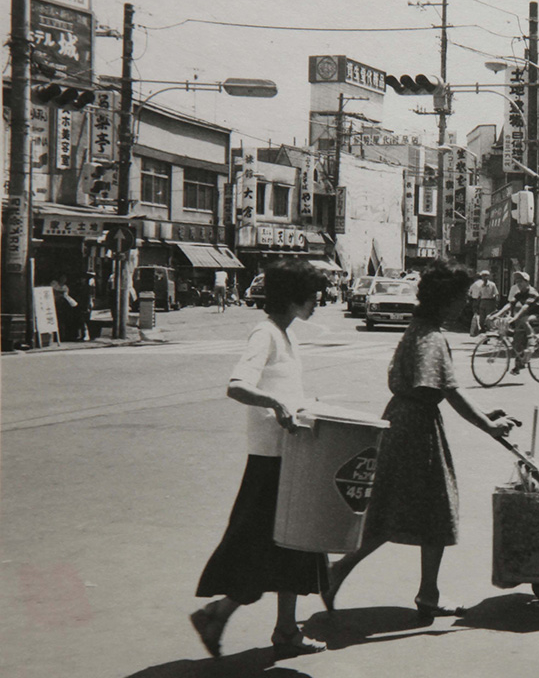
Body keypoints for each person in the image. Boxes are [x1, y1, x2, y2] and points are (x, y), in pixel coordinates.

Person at [322, 259, 516, 618]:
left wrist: (486, 415)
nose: (464, 304)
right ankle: (345, 573)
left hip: (403, 421)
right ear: (446, 301)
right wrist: (486, 426)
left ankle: (420, 591)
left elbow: (449, 388)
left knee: (408, 511)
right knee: (429, 509)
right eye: (461, 298)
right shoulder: (431, 338)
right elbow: (446, 391)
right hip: (415, 430)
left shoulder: (421, 329)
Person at [190, 259, 330, 660]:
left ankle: (285, 629)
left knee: (295, 545)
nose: (317, 302)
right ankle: (218, 612)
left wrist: (305, 407)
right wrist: (277, 404)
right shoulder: (264, 334)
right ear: (293, 297)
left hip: (291, 457)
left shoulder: (287, 336)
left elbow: (285, 391)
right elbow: (237, 386)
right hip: (270, 461)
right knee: (258, 548)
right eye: (313, 295)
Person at [494, 271, 539, 373]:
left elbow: (525, 307)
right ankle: (519, 365)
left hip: (538, 315)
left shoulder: (532, 293)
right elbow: (509, 304)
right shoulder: (519, 294)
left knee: (524, 319)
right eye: (517, 282)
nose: (518, 284)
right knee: (517, 340)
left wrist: (515, 317)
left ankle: (531, 341)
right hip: (524, 316)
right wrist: (497, 314)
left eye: (520, 281)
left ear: (526, 282)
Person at [469, 270, 499, 336]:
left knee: (488, 319)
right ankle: (483, 333)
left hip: (490, 302)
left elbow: (496, 294)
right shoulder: (480, 286)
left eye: (485, 276)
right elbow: (479, 296)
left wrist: (496, 304)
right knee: (481, 320)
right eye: (483, 276)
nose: (484, 278)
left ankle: (488, 334)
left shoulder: (492, 285)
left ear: (488, 277)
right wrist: (477, 305)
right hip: (482, 302)